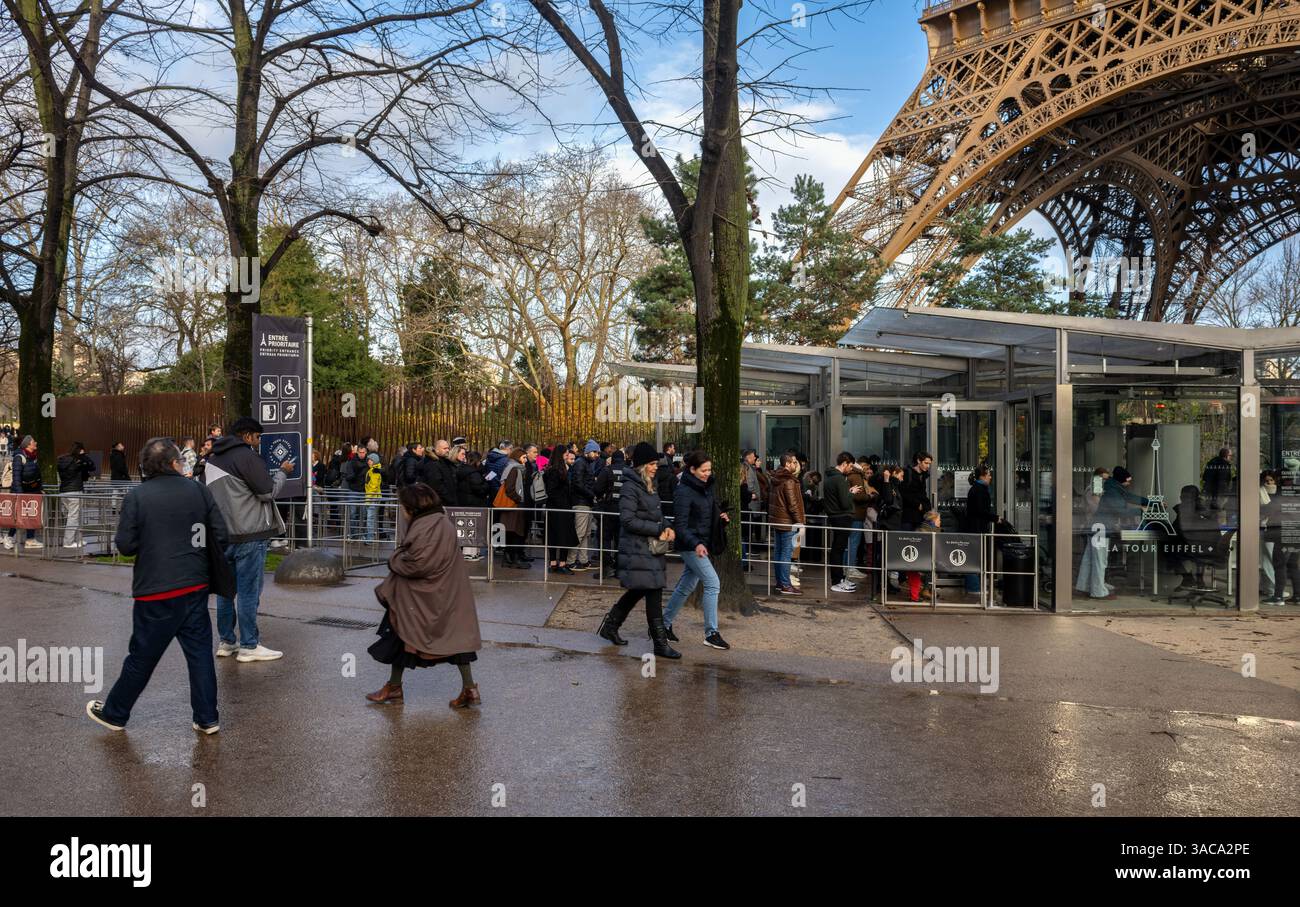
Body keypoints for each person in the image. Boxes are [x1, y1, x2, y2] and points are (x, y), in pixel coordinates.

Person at [86, 438, 229, 735]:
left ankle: (116, 713)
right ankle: (207, 718)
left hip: (156, 589)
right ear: (175, 463)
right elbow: (220, 534)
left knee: (142, 656)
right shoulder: (198, 491)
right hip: (195, 584)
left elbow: (125, 545)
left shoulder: (137, 497)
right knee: (200, 654)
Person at [365, 483, 483, 707]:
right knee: (457, 640)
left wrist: (394, 559)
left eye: (402, 506)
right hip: (450, 592)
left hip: (422, 596)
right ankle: (468, 688)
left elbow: (418, 564)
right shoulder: (441, 521)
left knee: (402, 632)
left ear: (411, 507)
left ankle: (394, 687)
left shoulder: (425, 528)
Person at [205, 417, 293, 662]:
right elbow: (267, 492)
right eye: (257, 438)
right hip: (250, 534)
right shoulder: (246, 457)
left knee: (225, 592)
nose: (257, 443)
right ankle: (249, 645)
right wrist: (283, 473)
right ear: (246, 436)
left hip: (223, 536)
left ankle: (226, 642)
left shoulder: (212, 460)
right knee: (248, 592)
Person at [597, 441, 679, 659]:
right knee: (652, 591)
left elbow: (657, 515)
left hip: (648, 549)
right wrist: (658, 528)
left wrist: (667, 526)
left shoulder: (648, 485)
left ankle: (610, 626)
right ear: (642, 465)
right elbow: (628, 520)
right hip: (639, 549)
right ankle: (659, 644)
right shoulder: (631, 487)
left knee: (639, 590)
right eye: (652, 464)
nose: (655, 467)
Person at [663, 450, 732, 649]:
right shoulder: (683, 491)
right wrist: (696, 544)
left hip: (700, 544)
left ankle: (662, 625)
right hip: (692, 545)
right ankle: (711, 633)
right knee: (712, 583)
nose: (707, 473)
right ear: (692, 469)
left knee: (686, 586)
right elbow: (681, 525)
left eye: (709, 469)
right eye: (703, 470)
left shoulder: (706, 487)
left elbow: (708, 515)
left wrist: (721, 519)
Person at [1077, 465, 1148, 600]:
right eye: (1128, 480)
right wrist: (1140, 510)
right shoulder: (1112, 491)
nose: (1129, 483)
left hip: (1096, 526)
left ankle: (1085, 586)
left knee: (1090, 559)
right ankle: (1098, 591)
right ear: (1122, 480)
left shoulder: (1113, 488)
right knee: (1100, 560)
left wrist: (1148, 501)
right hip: (1101, 528)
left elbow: (1129, 497)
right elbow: (1120, 510)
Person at [767, 450, 805, 596]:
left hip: (778, 520)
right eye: (794, 462)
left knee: (779, 552)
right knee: (785, 553)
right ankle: (785, 584)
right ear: (787, 463)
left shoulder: (776, 478)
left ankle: (780, 582)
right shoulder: (789, 480)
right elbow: (793, 504)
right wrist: (800, 522)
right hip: (787, 521)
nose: (796, 465)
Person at [824, 452, 859, 594]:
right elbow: (845, 503)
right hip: (842, 517)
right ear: (844, 463)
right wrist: (852, 493)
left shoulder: (831, 478)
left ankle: (840, 579)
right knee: (838, 549)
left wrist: (848, 492)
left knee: (837, 549)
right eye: (850, 466)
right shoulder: (839, 479)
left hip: (836, 516)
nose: (851, 469)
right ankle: (837, 581)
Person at [962, 464, 996, 596]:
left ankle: (974, 585)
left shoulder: (976, 489)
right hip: (976, 528)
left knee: (975, 557)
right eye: (988, 475)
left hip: (975, 527)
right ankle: (974, 586)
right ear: (983, 476)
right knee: (974, 557)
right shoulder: (979, 490)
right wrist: (994, 517)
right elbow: (980, 511)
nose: (990, 477)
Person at [5, 435, 44, 550]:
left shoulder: (33, 457)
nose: (35, 442)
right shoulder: (19, 457)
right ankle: (9, 537)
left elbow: (38, 474)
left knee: (31, 515)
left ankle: (30, 540)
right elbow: (16, 477)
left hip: (32, 491)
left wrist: (40, 488)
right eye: (33, 441)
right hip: (21, 492)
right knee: (17, 515)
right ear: (28, 444)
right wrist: (20, 494)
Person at [544, 449, 578, 575]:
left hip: (555, 507)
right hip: (561, 507)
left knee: (554, 535)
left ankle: (553, 562)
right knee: (564, 535)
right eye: (565, 453)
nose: (567, 455)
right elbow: (553, 491)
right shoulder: (556, 471)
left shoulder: (551, 469)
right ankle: (561, 563)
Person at [567, 440, 600, 570]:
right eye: (594, 452)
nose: (597, 454)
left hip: (585, 502)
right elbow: (578, 484)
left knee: (585, 533)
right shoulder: (581, 464)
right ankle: (571, 561)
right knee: (580, 533)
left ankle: (583, 560)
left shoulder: (585, 463)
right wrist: (592, 494)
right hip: (581, 502)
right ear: (587, 452)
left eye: (597, 452)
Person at [56, 441, 95, 549]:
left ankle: (77, 539)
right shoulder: (77, 461)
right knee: (73, 517)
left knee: (72, 516)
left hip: (63, 491)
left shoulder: (62, 460)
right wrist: (83, 456)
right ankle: (68, 542)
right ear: (80, 450)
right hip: (75, 490)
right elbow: (92, 466)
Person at [594, 447, 628, 572]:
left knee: (605, 538)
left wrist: (600, 497)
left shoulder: (607, 470)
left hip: (608, 509)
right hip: (624, 510)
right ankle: (619, 568)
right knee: (621, 539)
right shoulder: (629, 471)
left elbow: (597, 489)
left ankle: (607, 568)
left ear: (612, 459)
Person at [497, 446, 530, 568]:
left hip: (511, 506)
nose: (525, 460)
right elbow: (510, 489)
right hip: (514, 506)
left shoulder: (512, 467)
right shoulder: (515, 469)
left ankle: (508, 558)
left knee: (510, 533)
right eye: (523, 457)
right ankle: (514, 559)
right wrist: (519, 499)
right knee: (515, 533)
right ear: (517, 457)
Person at [905, 510, 941, 602]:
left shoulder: (933, 530)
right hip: (919, 560)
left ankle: (926, 589)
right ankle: (925, 590)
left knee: (936, 565)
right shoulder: (923, 531)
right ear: (933, 521)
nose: (940, 522)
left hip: (925, 559)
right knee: (933, 566)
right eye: (938, 520)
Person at [902, 451, 933, 530]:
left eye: (929, 464)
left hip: (920, 516)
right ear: (919, 461)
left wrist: (927, 508)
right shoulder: (907, 473)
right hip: (908, 516)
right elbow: (904, 493)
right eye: (926, 463)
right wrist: (917, 504)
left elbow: (923, 494)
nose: (928, 466)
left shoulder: (923, 475)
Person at [1202, 446, 1235, 512]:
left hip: (1209, 493)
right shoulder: (1224, 465)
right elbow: (1223, 482)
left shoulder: (1211, 463)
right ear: (1226, 456)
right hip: (1219, 495)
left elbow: (1205, 477)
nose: (1231, 457)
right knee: (1219, 513)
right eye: (1230, 455)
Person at [363, 451, 384, 541]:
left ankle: (370, 538)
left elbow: (373, 487)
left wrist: (368, 499)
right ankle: (369, 536)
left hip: (372, 498)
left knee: (370, 519)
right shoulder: (373, 470)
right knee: (370, 518)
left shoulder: (375, 471)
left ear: (374, 461)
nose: (368, 461)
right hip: (373, 497)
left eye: (370, 460)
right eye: (368, 460)